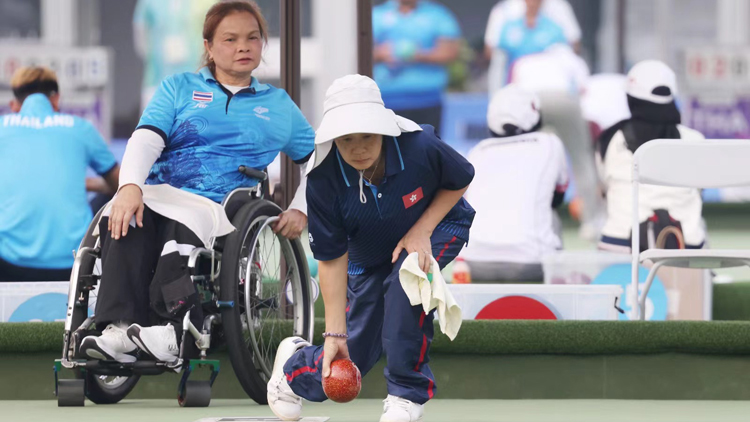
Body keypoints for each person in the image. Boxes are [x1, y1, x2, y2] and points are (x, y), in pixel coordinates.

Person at [79, 0, 314, 364]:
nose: (243, 47)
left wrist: (300, 206)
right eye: (230, 39)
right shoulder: (178, 87)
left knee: (182, 222)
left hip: (221, 203)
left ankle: (173, 330)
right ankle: (118, 330)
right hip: (160, 190)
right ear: (208, 46)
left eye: (253, 38)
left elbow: (320, 159)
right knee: (123, 217)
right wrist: (129, 187)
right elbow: (147, 138)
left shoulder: (279, 105)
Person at [266, 75, 475, 422]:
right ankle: (294, 368)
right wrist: (334, 333)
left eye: (367, 135)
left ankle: (406, 394)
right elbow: (331, 260)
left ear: (383, 128)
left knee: (408, 278)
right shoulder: (322, 182)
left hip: (438, 226)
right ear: (333, 138)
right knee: (353, 356)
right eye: (347, 139)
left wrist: (422, 230)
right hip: (368, 254)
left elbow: (461, 177)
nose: (359, 147)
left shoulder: (420, 145)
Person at [0, 66, 119, 281]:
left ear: (14, 105)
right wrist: (87, 184)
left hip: (8, 262)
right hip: (73, 261)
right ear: (56, 100)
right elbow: (122, 185)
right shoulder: (81, 128)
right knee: (117, 197)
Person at [460, 84, 567, 282]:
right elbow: (558, 198)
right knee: (551, 217)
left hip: (472, 259)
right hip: (531, 261)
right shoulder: (550, 143)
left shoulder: (477, 151)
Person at [597, 60, 706, 252]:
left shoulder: (608, 140)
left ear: (631, 98)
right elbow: (700, 190)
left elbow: (604, 190)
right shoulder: (696, 140)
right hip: (685, 246)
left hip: (620, 245)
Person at [509, 44, 606, 240]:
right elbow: (583, 89)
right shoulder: (568, 56)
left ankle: (527, 221)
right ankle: (592, 222)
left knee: (530, 160)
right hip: (564, 98)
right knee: (581, 159)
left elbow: (512, 92)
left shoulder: (523, 61)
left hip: (532, 100)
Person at [372, 0, 461, 132]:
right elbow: (359, 49)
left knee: (426, 149)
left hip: (427, 100)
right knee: (389, 150)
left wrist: (418, 55)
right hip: (385, 100)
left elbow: (450, 51)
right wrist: (382, 53)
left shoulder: (437, 14)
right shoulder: (376, 14)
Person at [133, 0, 217, 109]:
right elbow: (141, 35)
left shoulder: (210, 3)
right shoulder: (149, 2)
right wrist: (154, 58)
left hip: (200, 81)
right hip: (157, 79)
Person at [484, 0, 577, 92]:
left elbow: (567, 52)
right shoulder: (509, 23)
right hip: (516, 86)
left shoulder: (553, 26)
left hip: (547, 85)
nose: (532, 3)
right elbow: (494, 53)